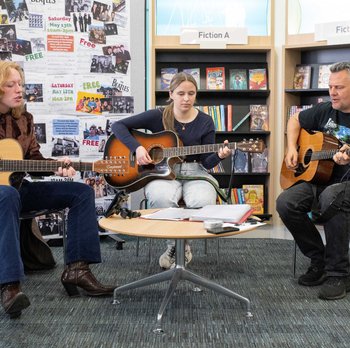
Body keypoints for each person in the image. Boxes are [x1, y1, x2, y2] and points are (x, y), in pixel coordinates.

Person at [0, 61, 116, 318]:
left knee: (81, 192)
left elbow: (32, 160)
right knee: (6, 194)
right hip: (5, 195)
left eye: (21, 83)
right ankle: (10, 286)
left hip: (17, 189)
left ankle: (77, 269)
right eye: (11, 84)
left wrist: (55, 167)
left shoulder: (25, 119)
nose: (19, 89)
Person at [112, 72, 231, 269]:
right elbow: (118, 126)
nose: (186, 98)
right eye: (181, 93)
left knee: (202, 201)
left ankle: (182, 246)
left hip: (195, 172)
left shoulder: (206, 121)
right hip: (161, 172)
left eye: (191, 93)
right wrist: (138, 148)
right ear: (171, 94)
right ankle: (174, 246)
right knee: (160, 197)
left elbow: (207, 163)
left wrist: (220, 155)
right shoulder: (158, 115)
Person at [276, 61, 350, 300]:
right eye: (330, 86)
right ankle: (319, 261)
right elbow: (295, 120)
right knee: (286, 202)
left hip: (344, 185)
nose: (332, 92)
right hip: (320, 178)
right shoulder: (325, 110)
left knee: (332, 197)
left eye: (339, 87)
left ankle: (339, 272)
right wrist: (291, 148)